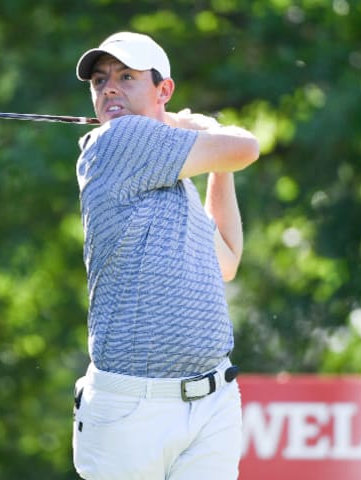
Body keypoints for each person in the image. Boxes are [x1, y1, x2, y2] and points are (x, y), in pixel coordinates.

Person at [70, 31, 260, 480]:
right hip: (132, 413)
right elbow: (246, 147)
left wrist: (215, 160)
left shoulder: (174, 183)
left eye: (126, 77)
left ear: (163, 89)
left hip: (211, 404)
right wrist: (207, 133)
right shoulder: (117, 142)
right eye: (100, 81)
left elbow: (228, 259)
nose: (109, 88)